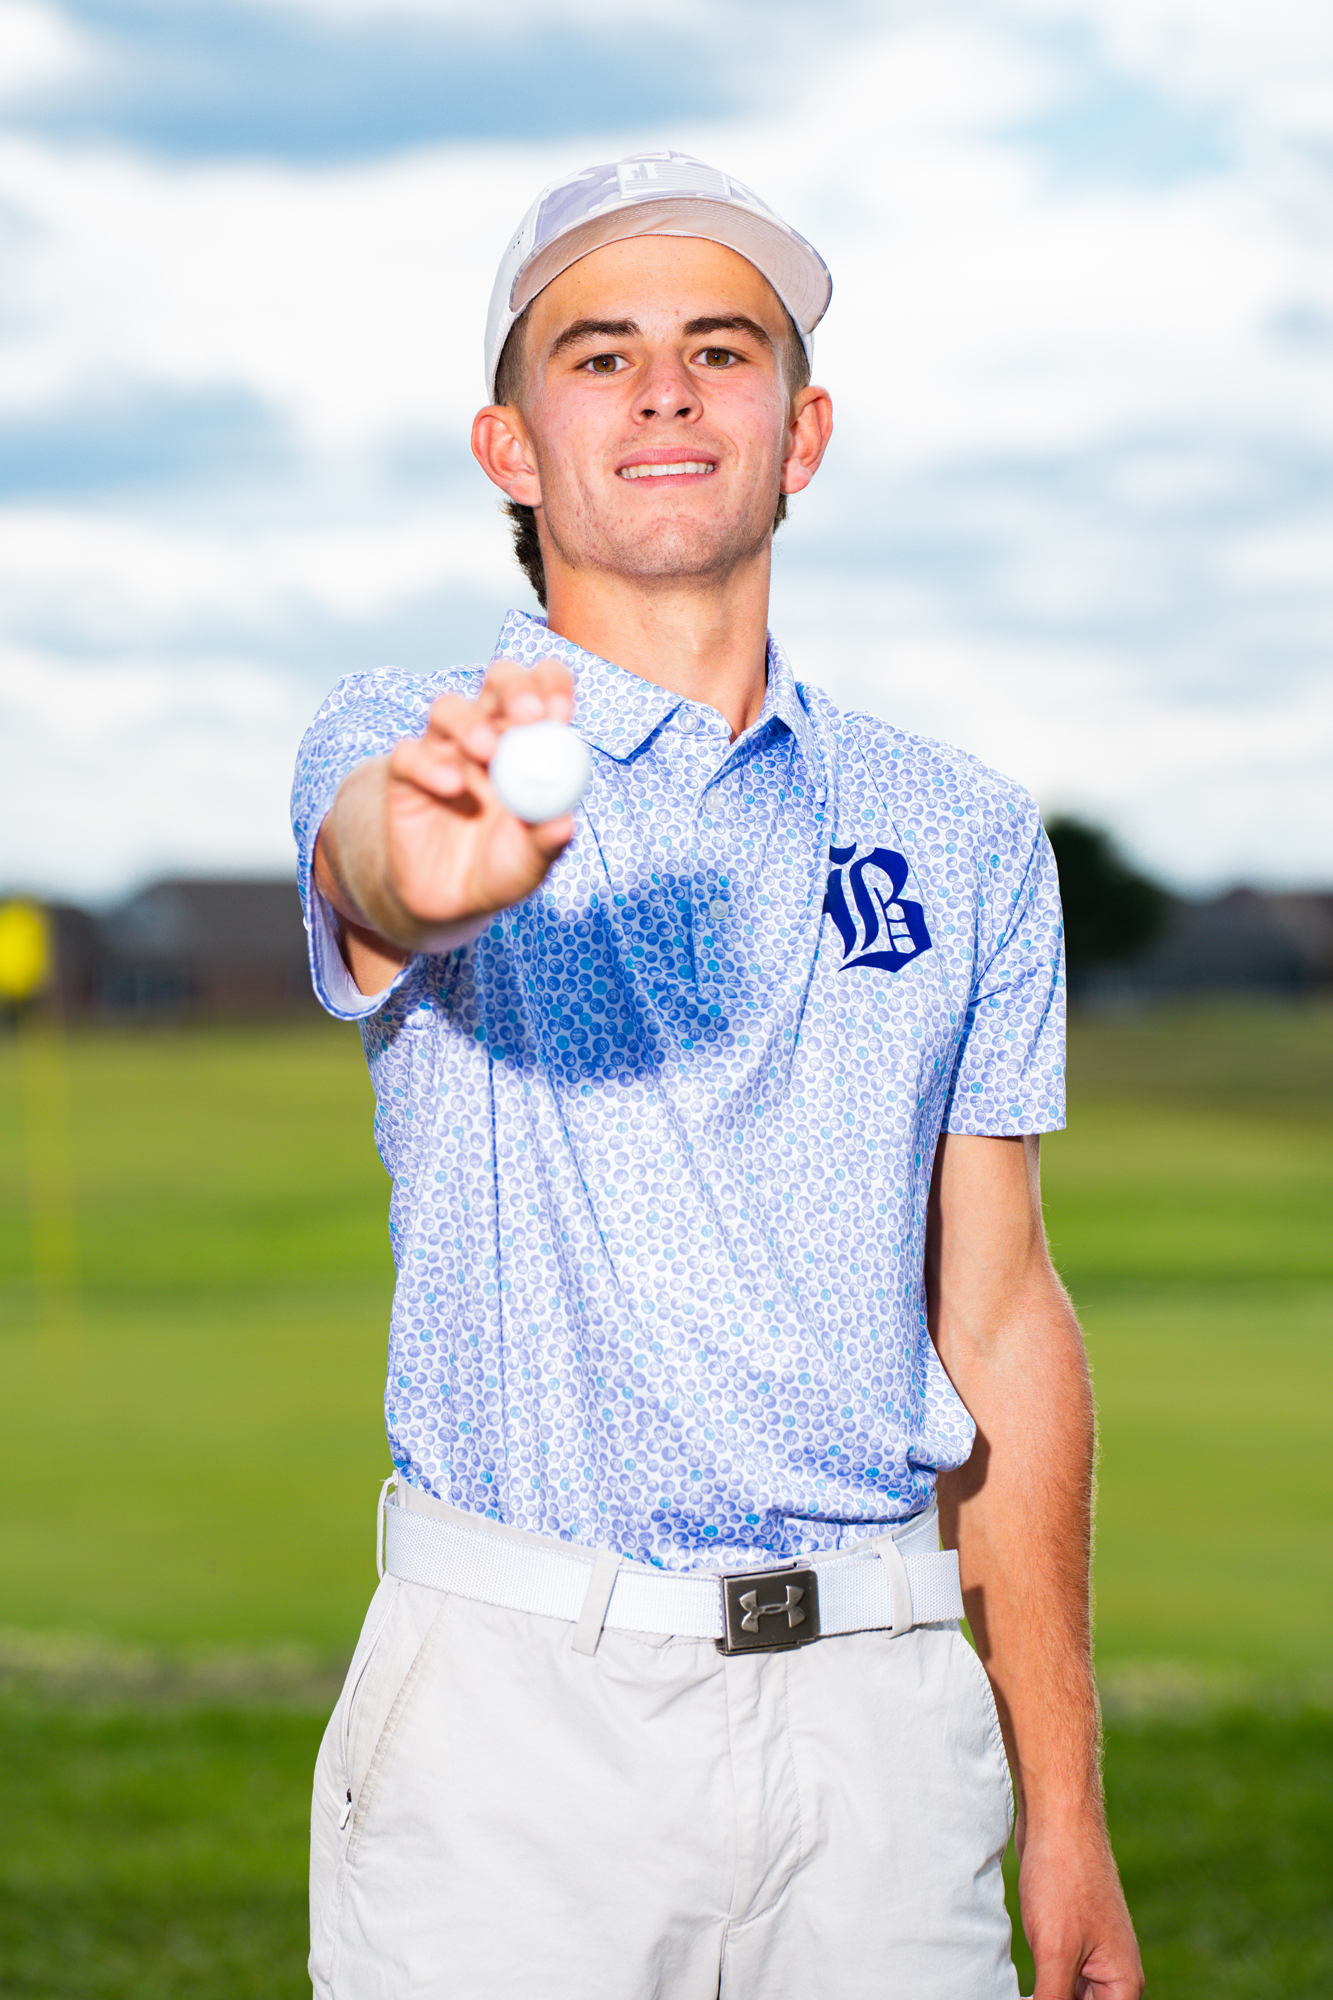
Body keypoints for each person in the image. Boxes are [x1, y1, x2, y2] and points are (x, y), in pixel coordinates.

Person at [294, 151, 1143, 2000]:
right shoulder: (414, 747)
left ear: (801, 432)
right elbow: (378, 864)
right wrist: (421, 870)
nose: (664, 390)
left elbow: (998, 1314)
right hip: (516, 1725)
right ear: (511, 449)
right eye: (598, 356)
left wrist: (1063, 1806)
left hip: (885, 1735)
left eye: (719, 349)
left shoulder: (962, 828)